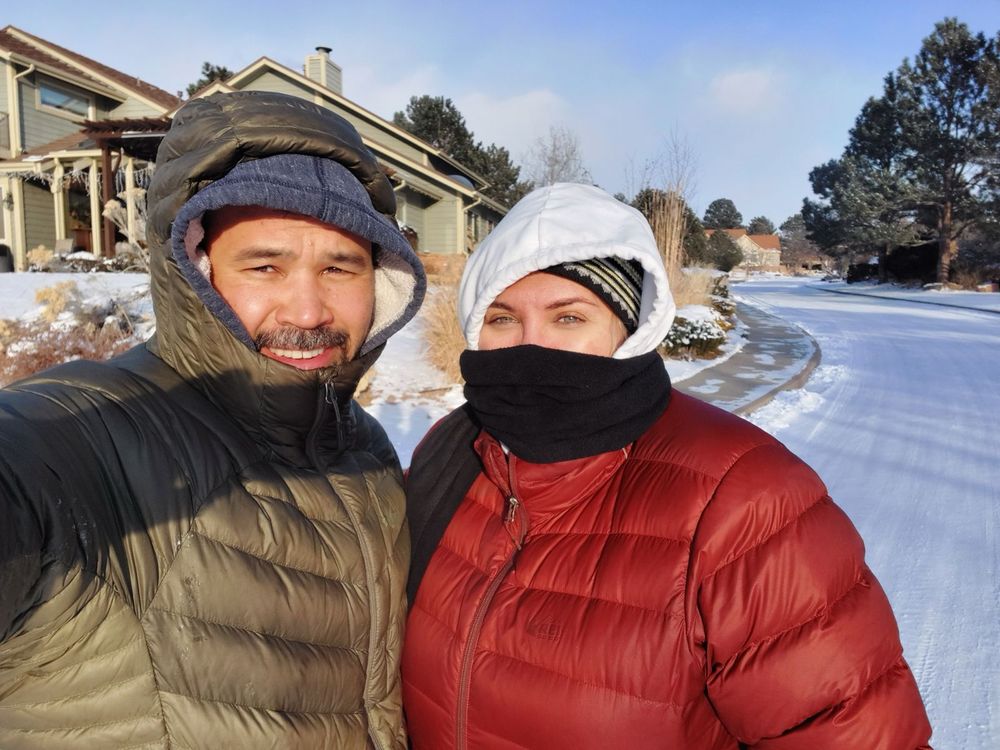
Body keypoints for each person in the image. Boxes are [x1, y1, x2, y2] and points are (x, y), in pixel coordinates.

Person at [401, 183, 932, 749]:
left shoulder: (747, 502)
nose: (533, 348)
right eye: (503, 319)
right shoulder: (453, 454)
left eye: (569, 318)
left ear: (629, 330)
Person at [0, 91, 424, 749]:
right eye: (265, 266)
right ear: (195, 271)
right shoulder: (92, 434)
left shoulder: (364, 450)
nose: (308, 311)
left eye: (340, 267)